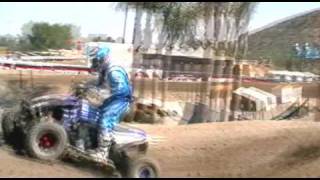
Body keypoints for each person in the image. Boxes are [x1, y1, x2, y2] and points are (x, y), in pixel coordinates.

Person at [85, 42, 133, 162]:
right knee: (91, 114)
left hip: (120, 100)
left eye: (96, 61)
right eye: (93, 61)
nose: (94, 63)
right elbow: (98, 84)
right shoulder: (105, 70)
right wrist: (85, 86)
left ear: (103, 59)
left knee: (105, 119)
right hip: (112, 99)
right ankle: (91, 143)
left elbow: (121, 90)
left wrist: (99, 94)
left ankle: (102, 153)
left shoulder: (113, 71)